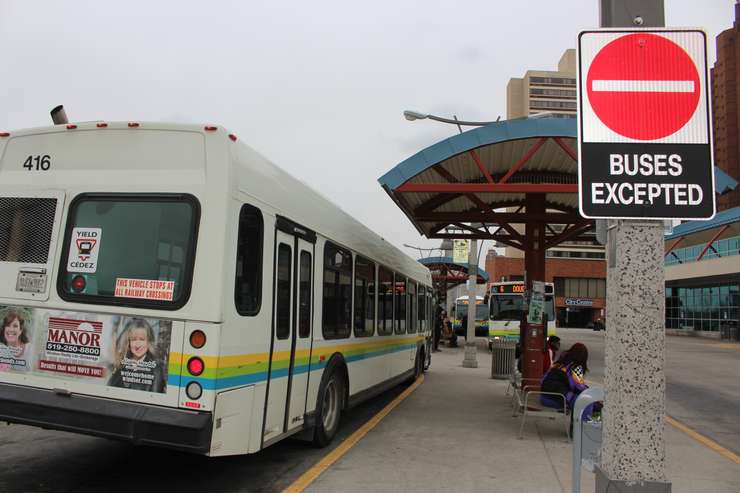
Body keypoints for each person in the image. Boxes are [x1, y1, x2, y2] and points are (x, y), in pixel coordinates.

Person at [108, 318, 165, 393]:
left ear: (149, 342)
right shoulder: (122, 365)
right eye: (134, 339)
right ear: (129, 342)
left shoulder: (156, 369)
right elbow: (109, 389)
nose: (137, 344)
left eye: (142, 339)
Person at [540, 342, 589, 414]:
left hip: (543, 397)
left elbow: (542, 380)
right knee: (586, 403)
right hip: (557, 399)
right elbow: (580, 388)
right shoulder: (575, 367)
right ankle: (579, 424)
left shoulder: (558, 363)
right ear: (583, 357)